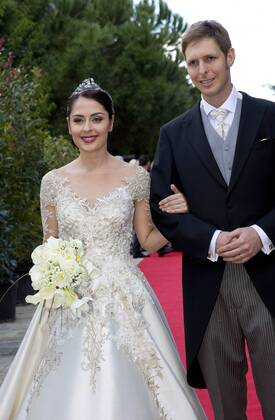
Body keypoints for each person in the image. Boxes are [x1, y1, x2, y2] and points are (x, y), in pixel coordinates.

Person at [0, 78, 205, 420]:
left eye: (96, 118)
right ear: (68, 124)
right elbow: (48, 245)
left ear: (111, 121)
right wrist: (55, 274)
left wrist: (181, 221)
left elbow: (147, 237)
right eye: (78, 119)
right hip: (68, 300)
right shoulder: (52, 182)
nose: (87, 127)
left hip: (124, 294)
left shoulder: (135, 176)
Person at [150, 20, 275, 419]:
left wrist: (261, 233)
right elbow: (159, 207)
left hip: (269, 277)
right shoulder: (173, 133)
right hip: (208, 282)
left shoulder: (270, 117)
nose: (202, 70)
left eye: (210, 59)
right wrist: (211, 240)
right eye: (193, 63)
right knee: (225, 401)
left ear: (230, 57)